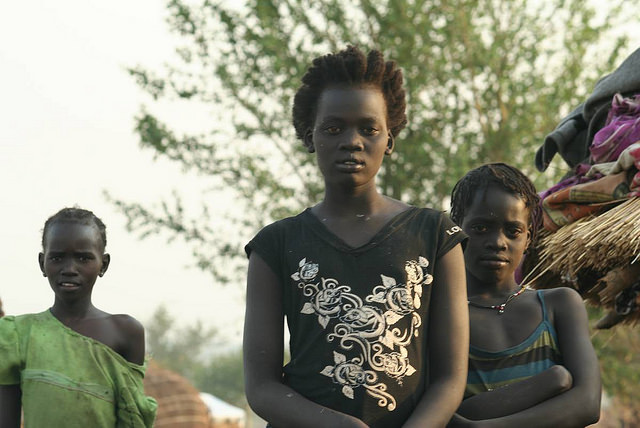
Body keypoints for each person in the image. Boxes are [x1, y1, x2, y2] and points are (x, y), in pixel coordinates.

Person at [243, 46, 469, 428]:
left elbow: (449, 379)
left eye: (369, 128)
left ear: (390, 139)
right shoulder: (275, 244)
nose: (352, 141)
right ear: (309, 135)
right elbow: (261, 387)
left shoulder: (435, 235)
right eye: (334, 128)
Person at [448, 163, 601, 427]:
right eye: (481, 228)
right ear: (455, 229)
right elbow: (444, 411)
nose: (498, 242)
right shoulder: (440, 315)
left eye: (513, 231)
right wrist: (551, 384)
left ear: (528, 238)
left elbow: (587, 404)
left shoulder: (558, 306)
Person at [0, 207, 157, 428]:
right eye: (57, 257)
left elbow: (133, 420)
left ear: (103, 264)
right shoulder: (16, 335)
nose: (70, 269)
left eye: (83, 258)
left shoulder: (125, 332)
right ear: (42, 263)